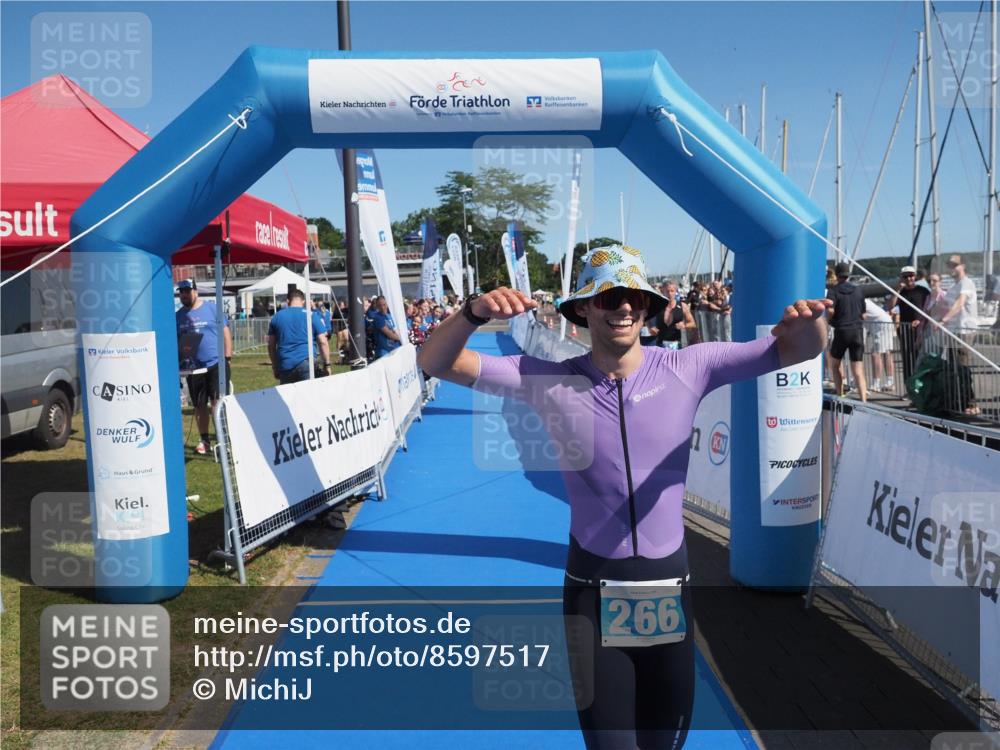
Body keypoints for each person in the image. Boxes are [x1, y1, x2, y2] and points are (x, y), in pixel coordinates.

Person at [417, 245, 829, 750]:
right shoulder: (549, 380)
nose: (625, 307)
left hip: (668, 590)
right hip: (592, 591)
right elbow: (434, 362)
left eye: (635, 296)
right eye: (610, 297)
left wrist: (810, 322)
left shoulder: (689, 367)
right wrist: (472, 312)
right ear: (585, 308)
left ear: (649, 306)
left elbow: (798, 350)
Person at [175, 279, 232, 455]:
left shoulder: (211, 308)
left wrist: (228, 357)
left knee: (217, 403)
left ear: (195, 291)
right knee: (199, 405)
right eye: (181, 292)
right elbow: (176, 342)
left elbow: (225, 332)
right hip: (193, 367)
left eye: (187, 291)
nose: (184, 294)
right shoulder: (178, 316)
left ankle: (224, 439)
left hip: (216, 364)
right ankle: (205, 439)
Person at [939, 254, 979, 414]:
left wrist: (944, 319)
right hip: (953, 331)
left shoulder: (966, 283)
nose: (951, 268)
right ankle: (958, 401)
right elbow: (943, 304)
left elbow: (959, 303)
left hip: (964, 331)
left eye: (954, 265)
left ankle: (972, 403)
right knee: (952, 369)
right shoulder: (954, 286)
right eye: (949, 265)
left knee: (962, 368)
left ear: (963, 266)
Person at [267, 288, 331, 384]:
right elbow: (323, 341)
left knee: (288, 397)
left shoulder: (277, 317)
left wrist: (275, 366)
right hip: (307, 362)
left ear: (287, 301)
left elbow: (271, 345)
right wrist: (327, 365)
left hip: (286, 364)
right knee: (310, 396)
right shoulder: (311, 315)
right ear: (303, 301)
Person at [827, 261, 868, 402]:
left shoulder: (833, 291)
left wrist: (828, 319)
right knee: (858, 369)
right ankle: (863, 400)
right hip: (857, 331)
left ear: (837, 275)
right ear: (848, 274)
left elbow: (830, 310)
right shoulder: (858, 290)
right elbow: (863, 314)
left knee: (835, 364)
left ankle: (840, 394)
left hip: (842, 331)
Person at [890, 265, 931, 384]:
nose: (909, 278)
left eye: (911, 276)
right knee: (907, 360)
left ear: (915, 276)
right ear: (902, 278)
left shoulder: (922, 291)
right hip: (905, 330)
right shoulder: (900, 292)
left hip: (921, 329)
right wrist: (897, 290)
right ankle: (909, 387)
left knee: (921, 359)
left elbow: (929, 308)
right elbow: (891, 306)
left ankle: (921, 386)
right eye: (906, 276)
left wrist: (921, 320)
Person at [863, 297, 894, 392]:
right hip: (883, 323)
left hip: (881, 325)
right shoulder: (861, 300)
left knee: (876, 354)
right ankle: (890, 381)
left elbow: (862, 316)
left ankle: (876, 384)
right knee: (886, 353)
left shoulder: (859, 301)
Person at [655, 281, 695, 350]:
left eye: (672, 291)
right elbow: (646, 318)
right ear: (663, 291)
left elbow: (693, 323)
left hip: (677, 343)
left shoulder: (683, 306)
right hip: (660, 344)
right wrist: (651, 327)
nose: (669, 293)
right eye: (667, 291)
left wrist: (684, 325)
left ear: (675, 291)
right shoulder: (657, 306)